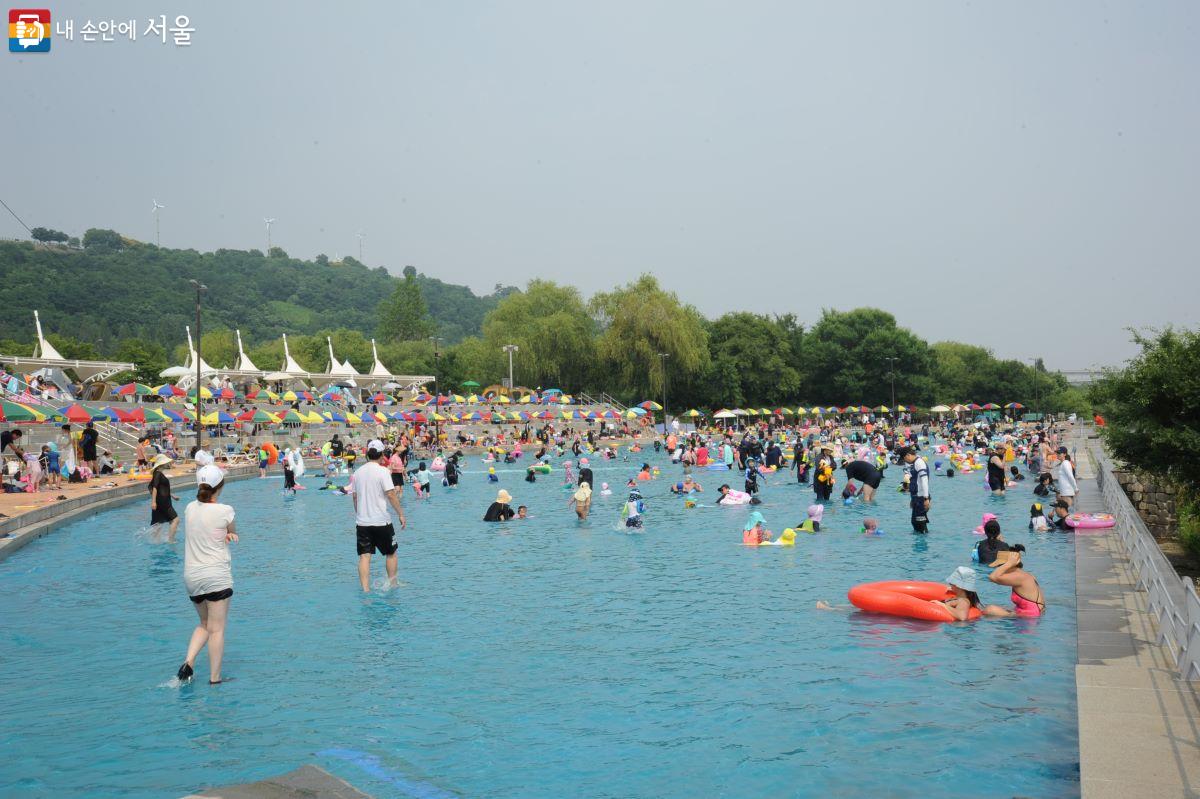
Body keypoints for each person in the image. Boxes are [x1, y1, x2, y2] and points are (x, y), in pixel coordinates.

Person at [176, 463, 238, 685]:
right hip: (216, 575)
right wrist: (229, 536)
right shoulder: (225, 511)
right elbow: (231, 531)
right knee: (217, 629)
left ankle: (188, 663)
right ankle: (215, 679)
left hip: (192, 577)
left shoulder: (189, 509)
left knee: (204, 623)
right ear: (220, 486)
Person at [351, 440, 407, 592]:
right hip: (382, 522)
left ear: (367, 454)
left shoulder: (357, 473)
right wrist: (401, 514)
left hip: (362, 522)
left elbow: (355, 497)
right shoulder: (383, 472)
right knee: (391, 553)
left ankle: (365, 589)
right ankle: (392, 584)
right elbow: (390, 494)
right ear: (382, 455)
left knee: (364, 556)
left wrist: (360, 513)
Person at [987, 547, 1046, 617]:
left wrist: (1009, 563)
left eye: (1000, 566)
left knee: (990, 610)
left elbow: (992, 577)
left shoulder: (1020, 577)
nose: (998, 568)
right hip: (1033, 612)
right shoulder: (1024, 574)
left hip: (1031, 616)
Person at [148, 453, 181, 542]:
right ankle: (171, 540)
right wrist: (153, 502)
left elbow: (161, 488)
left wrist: (172, 495)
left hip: (163, 500)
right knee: (175, 520)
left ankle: (156, 541)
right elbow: (155, 488)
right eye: (167, 462)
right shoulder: (158, 474)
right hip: (163, 502)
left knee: (158, 523)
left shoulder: (158, 473)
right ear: (162, 463)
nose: (168, 464)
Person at [900, 446, 931, 533]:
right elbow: (915, 481)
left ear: (908, 455)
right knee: (915, 522)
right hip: (916, 497)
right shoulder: (914, 463)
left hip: (921, 498)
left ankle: (923, 544)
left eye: (904, 459)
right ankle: (919, 544)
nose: (905, 461)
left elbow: (924, 481)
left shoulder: (919, 463)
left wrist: (926, 498)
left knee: (920, 523)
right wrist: (912, 499)